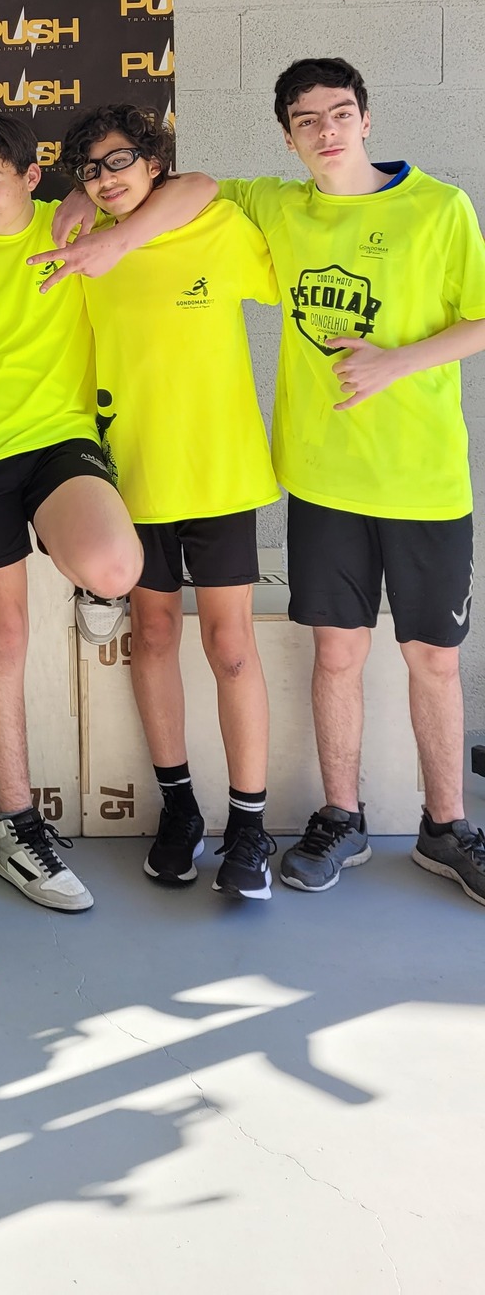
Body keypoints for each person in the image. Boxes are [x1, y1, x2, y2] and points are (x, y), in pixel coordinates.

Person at [218, 60, 485, 903]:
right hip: (323, 481)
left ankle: (447, 828)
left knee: (431, 658)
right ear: (287, 137)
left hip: (422, 479)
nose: (326, 130)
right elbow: (184, 191)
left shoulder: (439, 207)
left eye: (340, 113)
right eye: (307, 120)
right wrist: (88, 213)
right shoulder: (278, 205)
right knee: (337, 652)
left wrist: (397, 362)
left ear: (366, 119)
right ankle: (343, 818)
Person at [0, 113, 144, 913]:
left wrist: (84, 193)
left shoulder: (74, 222)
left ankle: (89, 582)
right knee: (1, 637)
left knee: (116, 565)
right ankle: (17, 831)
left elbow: (183, 193)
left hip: (59, 439)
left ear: (31, 177)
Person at [63, 104, 282, 898]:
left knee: (231, 647)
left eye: (119, 161)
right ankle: (180, 809)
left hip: (219, 472)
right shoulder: (80, 248)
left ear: (154, 162)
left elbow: (214, 191)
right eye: (90, 170)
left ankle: (250, 826)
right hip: (134, 476)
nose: (105, 179)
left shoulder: (217, 227)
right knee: (153, 636)